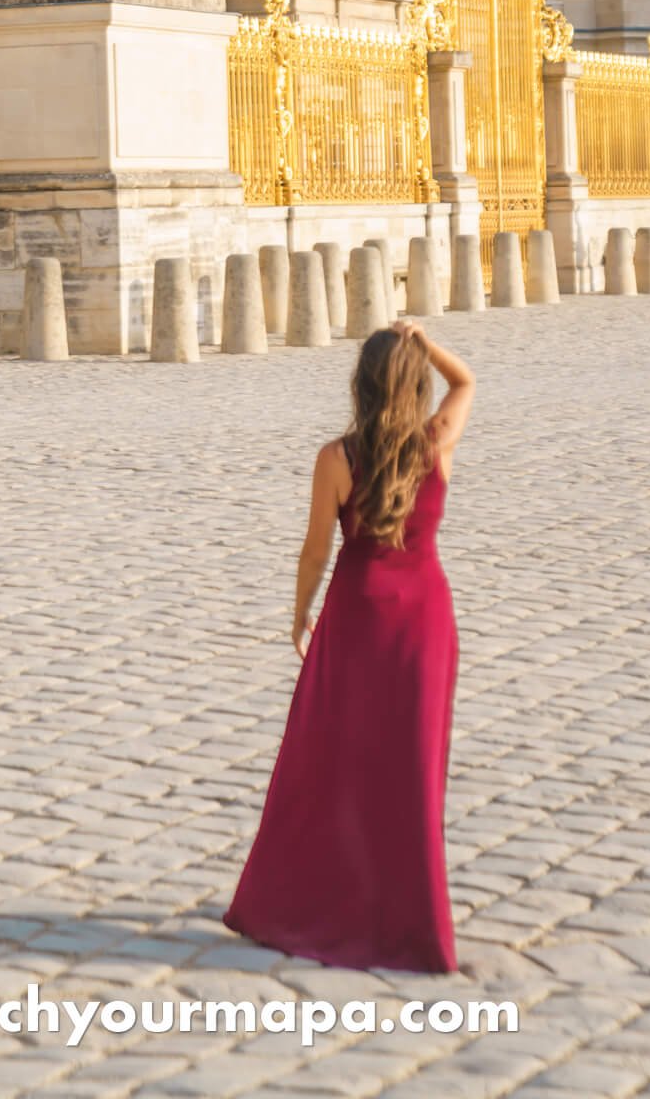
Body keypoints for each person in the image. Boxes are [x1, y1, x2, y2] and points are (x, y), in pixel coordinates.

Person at [223, 321, 474, 973]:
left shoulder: (337, 458)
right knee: (411, 772)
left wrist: (300, 611)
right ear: (417, 384)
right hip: (425, 623)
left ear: (357, 385)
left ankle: (312, 898)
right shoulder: (436, 443)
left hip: (358, 620)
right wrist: (424, 340)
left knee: (330, 765)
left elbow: (316, 551)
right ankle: (412, 917)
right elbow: (467, 381)